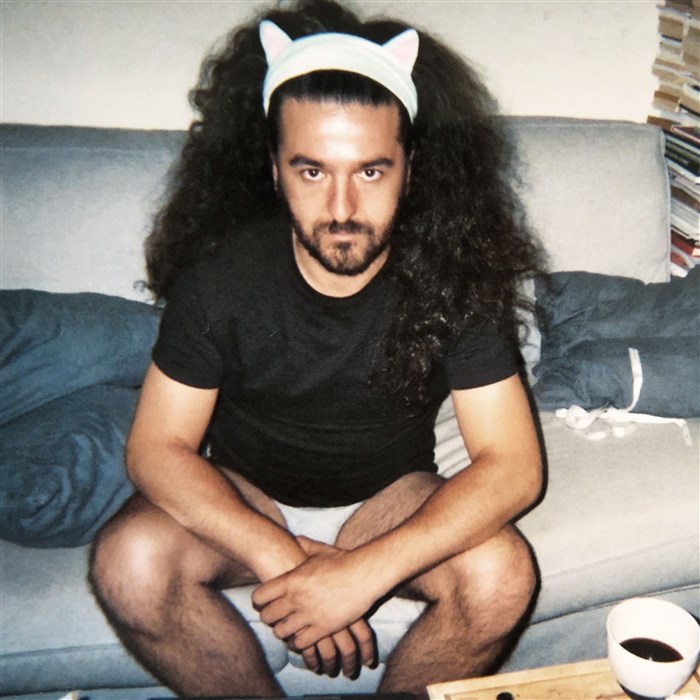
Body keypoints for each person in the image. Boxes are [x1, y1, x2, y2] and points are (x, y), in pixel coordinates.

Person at [89, 0, 544, 695]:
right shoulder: (219, 278)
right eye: (311, 171)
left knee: (502, 576)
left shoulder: (454, 279)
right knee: (128, 563)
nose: (341, 209)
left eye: (370, 171)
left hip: (388, 500)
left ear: (410, 169)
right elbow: (156, 448)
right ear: (274, 169)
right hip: (248, 498)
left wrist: (363, 575)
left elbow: (513, 467)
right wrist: (282, 558)